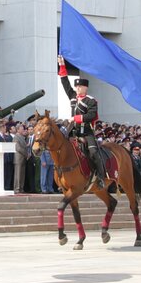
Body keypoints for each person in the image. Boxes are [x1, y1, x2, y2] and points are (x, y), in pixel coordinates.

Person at [58, 55, 105, 188]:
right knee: (60, 148)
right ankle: (61, 176)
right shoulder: (73, 96)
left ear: (85, 88)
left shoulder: (91, 100)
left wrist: (75, 118)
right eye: (77, 87)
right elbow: (64, 82)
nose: (77, 89)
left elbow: (91, 115)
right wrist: (62, 65)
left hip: (86, 131)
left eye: (80, 87)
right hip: (73, 131)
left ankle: (100, 177)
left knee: (94, 152)